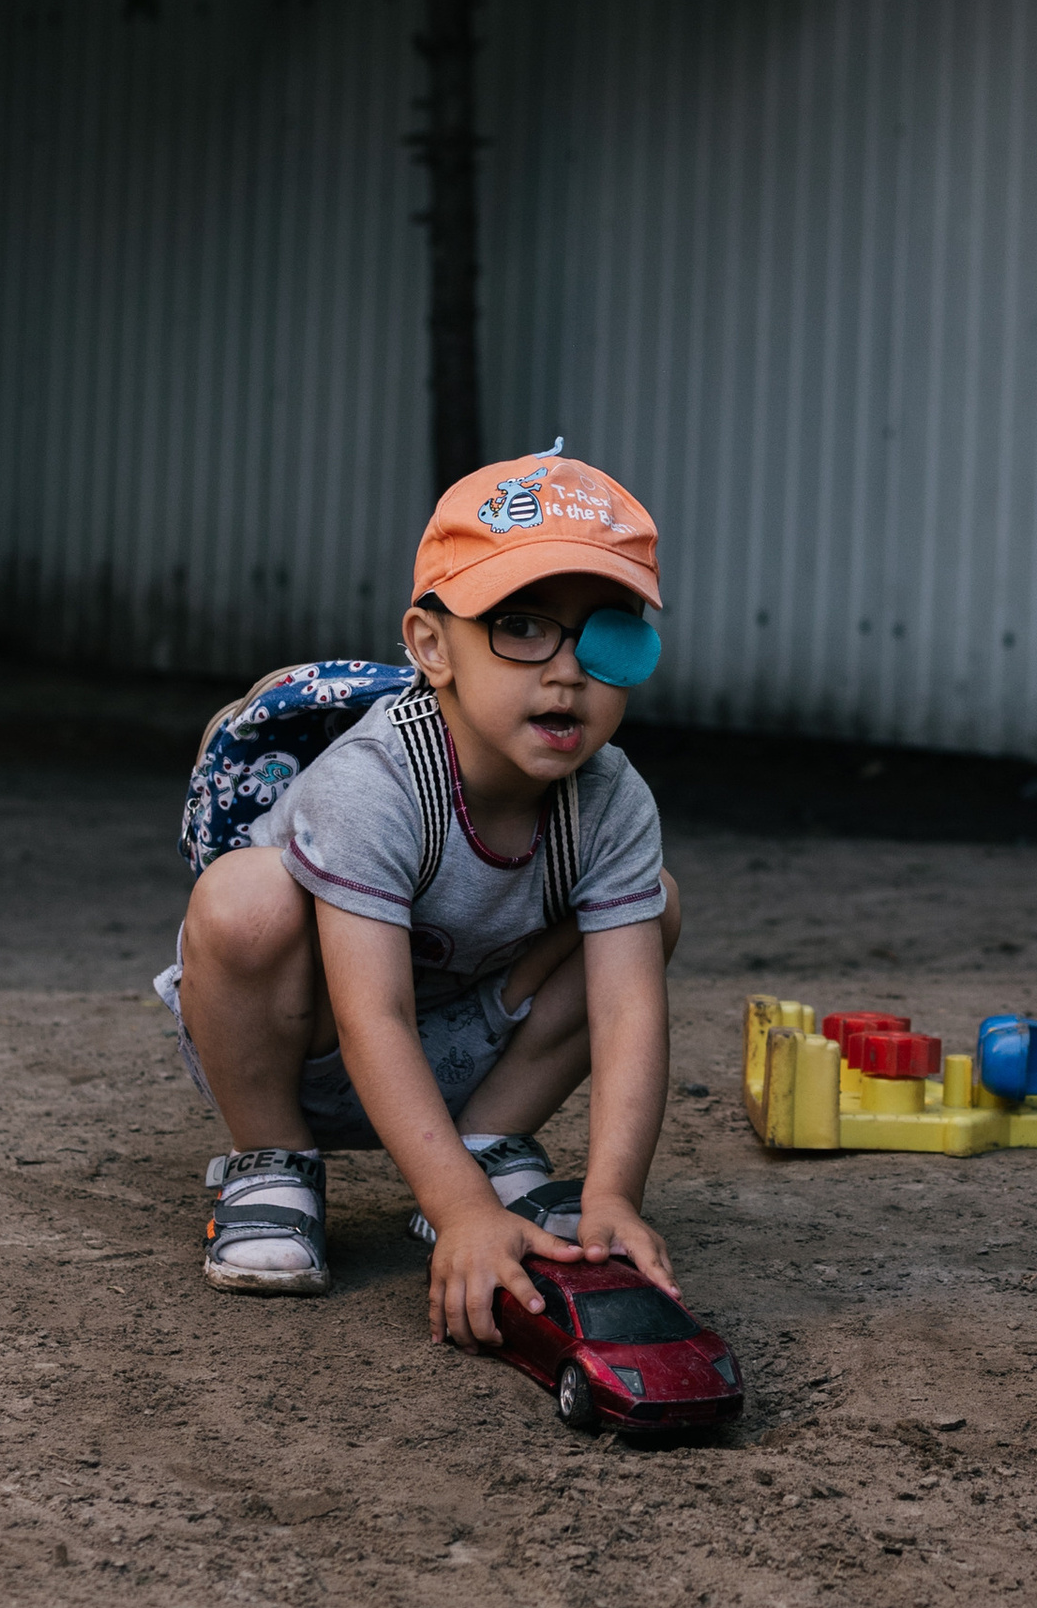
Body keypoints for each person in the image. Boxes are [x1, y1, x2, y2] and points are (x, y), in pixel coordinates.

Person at [159, 450, 682, 1345]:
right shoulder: (377, 781)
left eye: (607, 635)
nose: (566, 673)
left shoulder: (612, 796)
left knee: (653, 904)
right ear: (433, 646)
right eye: (520, 627)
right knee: (242, 900)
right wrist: (467, 1216)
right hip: (314, 1048)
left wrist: (610, 1197)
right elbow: (375, 1019)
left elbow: (630, 1012)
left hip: (470, 1050)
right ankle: (271, 1162)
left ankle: (488, 1145)